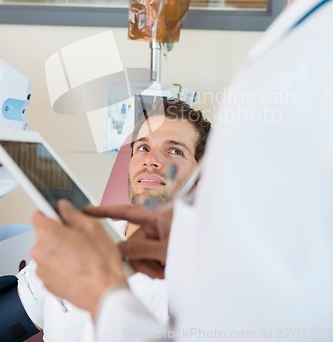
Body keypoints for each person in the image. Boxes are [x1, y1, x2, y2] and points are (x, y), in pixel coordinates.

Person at [31, 0, 333, 340]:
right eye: (143, 148)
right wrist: (193, 250)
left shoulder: (303, 77)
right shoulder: (302, 54)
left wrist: (100, 290)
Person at [4, 98, 210, 341]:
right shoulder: (84, 238)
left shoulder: (205, 275)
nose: (151, 160)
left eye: (175, 151)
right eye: (143, 148)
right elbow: (12, 317)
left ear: (199, 177)